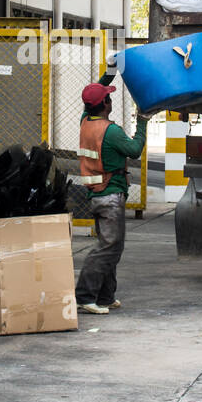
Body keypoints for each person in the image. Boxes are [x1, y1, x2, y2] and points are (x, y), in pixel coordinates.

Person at [74, 82, 150, 315]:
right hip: (110, 196)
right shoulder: (110, 131)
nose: (111, 100)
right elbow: (135, 149)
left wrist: (108, 72)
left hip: (97, 194)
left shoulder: (86, 121)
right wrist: (143, 121)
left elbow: (92, 96)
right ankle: (85, 296)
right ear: (105, 104)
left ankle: (106, 296)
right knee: (109, 247)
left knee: (110, 246)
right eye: (108, 97)